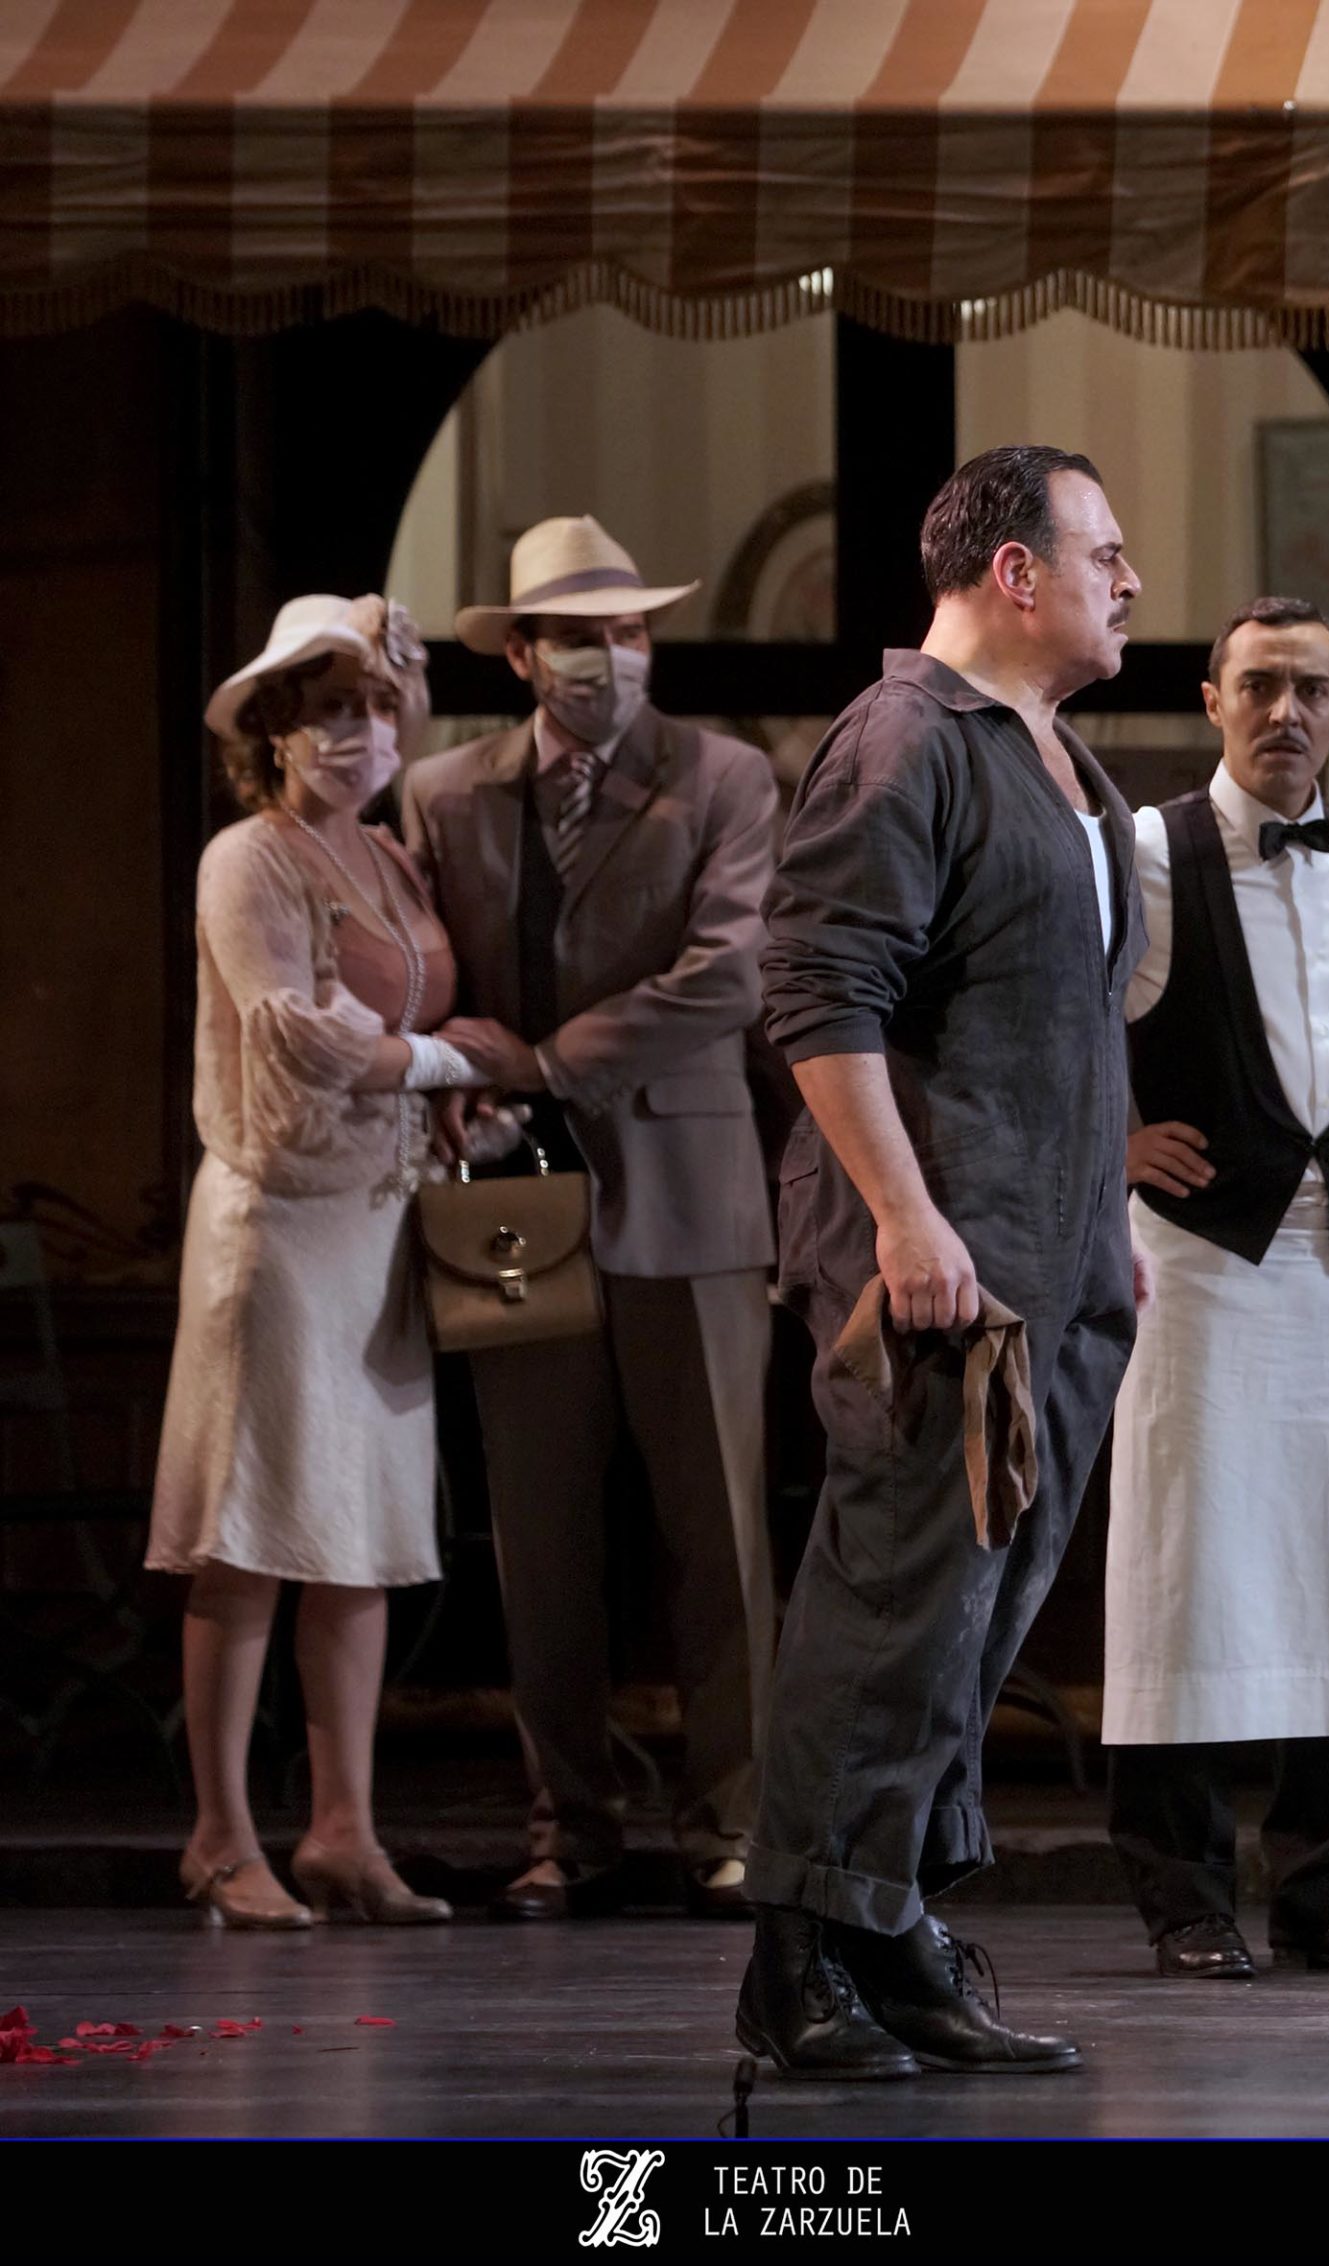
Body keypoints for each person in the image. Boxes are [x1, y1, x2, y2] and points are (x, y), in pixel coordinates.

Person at [738, 445, 1144, 2081]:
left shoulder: (1057, 756)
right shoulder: (905, 737)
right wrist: (906, 1218)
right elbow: (818, 990)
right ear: (1015, 572)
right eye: (1104, 551)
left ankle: (890, 1921)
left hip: (1050, 1258)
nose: (1130, 580)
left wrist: (1103, 1226)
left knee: (973, 1616)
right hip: (934, 1259)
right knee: (893, 1600)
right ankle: (796, 1955)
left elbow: (1061, 1020)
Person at [402, 515, 779, 1923]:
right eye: (576, 636)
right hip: (510, 1197)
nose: (607, 658)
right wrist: (462, 1066)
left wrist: (547, 1058)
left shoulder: (725, 775)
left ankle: (737, 1818)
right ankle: (570, 1823)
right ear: (518, 653)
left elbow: (732, 972)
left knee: (721, 1532)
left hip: (691, 1188)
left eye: (626, 633)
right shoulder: (444, 793)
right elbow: (425, 975)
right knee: (539, 1535)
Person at [1106, 596, 1329, 1982]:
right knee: (1186, 1565)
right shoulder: (1145, 847)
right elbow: (1064, 1014)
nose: (1284, 711)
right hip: (1193, 1256)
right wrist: (1115, 1138)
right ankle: (1185, 1896)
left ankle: (1327, 1890)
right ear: (1212, 701)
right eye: (1258, 685)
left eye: (1310, 688)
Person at [150, 594, 478, 1930]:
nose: (362, 733)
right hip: (279, 1230)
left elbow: (389, 1024)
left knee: (357, 1537)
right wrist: (449, 1060)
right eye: (333, 710)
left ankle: (344, 1829)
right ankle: (221, 1835)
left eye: (378, 708)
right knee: (251, 1531)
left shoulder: (390, 861)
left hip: (382, 1227)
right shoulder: (249, 858)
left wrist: (445, 1095)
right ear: (278, 732)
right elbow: (298, 1034)